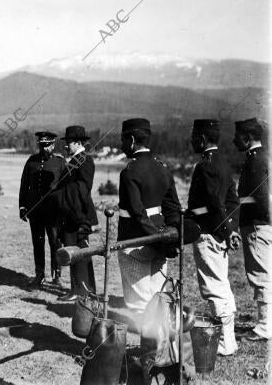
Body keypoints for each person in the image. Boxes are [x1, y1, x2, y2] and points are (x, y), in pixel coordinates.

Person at [116, 118, 181, 315]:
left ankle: (150, 345)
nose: (122, 144)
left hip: (135, 242)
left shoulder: (129, 172)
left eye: (123, 139)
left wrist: (156, 238)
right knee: (159, 299)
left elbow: (137, 213)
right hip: (160, 241)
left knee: (139, 306)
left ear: (133, 140)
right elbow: (173, 208)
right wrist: (167, 239)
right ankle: (160, 345)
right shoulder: (162, 168)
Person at [187, 119, 239, 355]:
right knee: (222, 286)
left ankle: (225, 343)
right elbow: (232, 202)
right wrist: (231, 230)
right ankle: (229, 339)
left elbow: (215, 204)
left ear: (202, 139)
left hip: (208, 234)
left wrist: (226, 232)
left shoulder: (205, 166)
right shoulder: (224, 163)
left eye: (194, 136)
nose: (191, 141)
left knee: (214, 288)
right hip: (220, 233)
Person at [233, 117, 270, 341]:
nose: (234, 140)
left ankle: (266, 325)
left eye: (237, 136)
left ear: (247, 138)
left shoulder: (255, 162)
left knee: (260, 275)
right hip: (259, 224)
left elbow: (260, 198)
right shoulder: (259, 158)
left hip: (257, 225)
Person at [57, 125, 98, 301]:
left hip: (78, 216)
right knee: (77, 252)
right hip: (72, 215)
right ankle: (83, 289)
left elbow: (83, 189)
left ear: (78, 143)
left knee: (78, 253)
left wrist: (60, 195)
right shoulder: (76, 159)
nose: (66, 146)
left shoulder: (84, 160)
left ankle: (81, 291)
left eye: (69, 143)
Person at [19, 131, 66, 287]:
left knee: (55, 243)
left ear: (53, 145)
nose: (45, 148)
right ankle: (39, 275)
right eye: (42, 145)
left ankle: (57, 276)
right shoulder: (31, 161)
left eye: (48, 145)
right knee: (38, 243)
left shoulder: (60, 162)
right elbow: (24, 185)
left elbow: (65, 186)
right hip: (35, 211)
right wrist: (22, 206)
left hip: (53, 211)